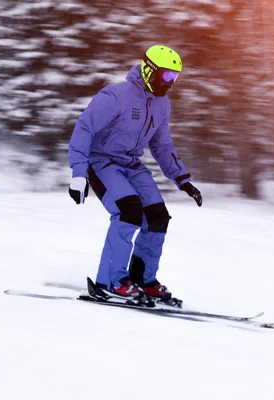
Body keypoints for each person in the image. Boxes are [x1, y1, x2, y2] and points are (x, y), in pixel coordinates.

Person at [67, 44, 202, 302]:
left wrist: (183, 179)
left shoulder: (162, 105)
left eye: (175, 77)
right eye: (166, 76)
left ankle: (142, 279)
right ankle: (109, 281)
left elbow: (162, 145)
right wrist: (78, 173)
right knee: (128, 211)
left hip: (131, 165)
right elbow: (84, 128)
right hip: (101, 161)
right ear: (149, 69)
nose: (170, 83)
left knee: (157, 217)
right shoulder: (116, 96)